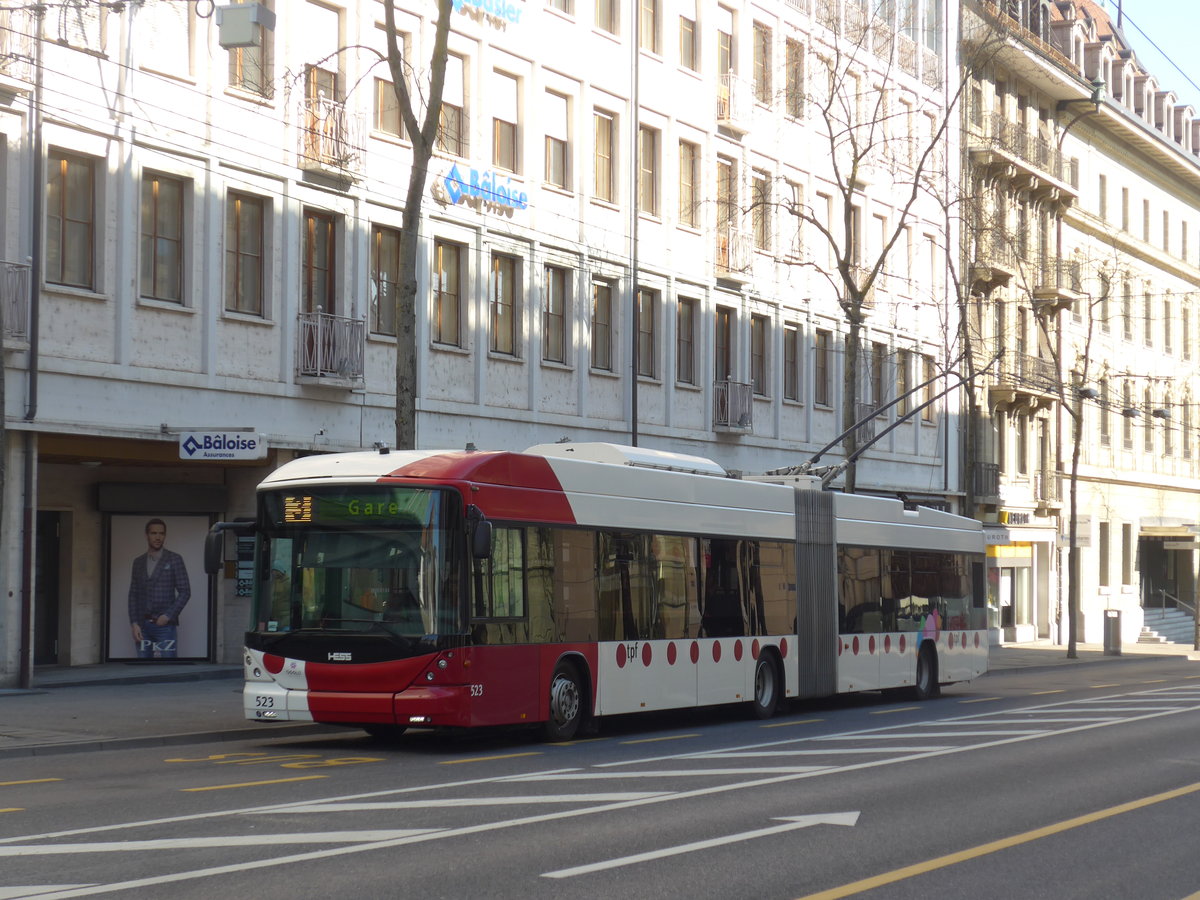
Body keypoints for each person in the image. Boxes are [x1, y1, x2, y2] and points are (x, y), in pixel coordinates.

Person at [128, 518, 191, 658]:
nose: (158, 537)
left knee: (168, 668)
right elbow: (133, 594)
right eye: (154, 533)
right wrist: (134, 623)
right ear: (146, 535)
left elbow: (185, 591)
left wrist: (168, 615)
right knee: (143, 669)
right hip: (142, 625)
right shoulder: (138, 562)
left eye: (161, 533)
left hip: (165, 626)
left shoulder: (174, 559)